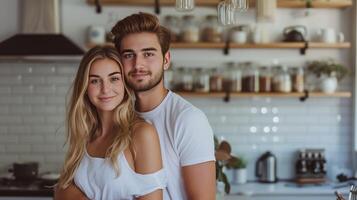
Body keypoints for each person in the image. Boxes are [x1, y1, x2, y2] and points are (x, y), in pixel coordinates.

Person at [111, 12, 216, 200]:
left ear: (166, 60)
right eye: (129, 55)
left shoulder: (188, 119)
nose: (138, 64)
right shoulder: (119, 117)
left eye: (148, 54)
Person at [54, 46, 167, 200]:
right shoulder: (86, 134)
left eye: (114, 78)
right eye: (94, 80)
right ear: (85, 87)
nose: (105, 89)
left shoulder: (142, 134)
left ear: (124, 83)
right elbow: (61, 189)